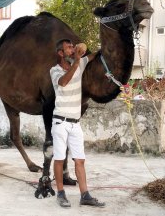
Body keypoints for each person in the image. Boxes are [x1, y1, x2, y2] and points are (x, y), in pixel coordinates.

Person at [50, 38, 105, 208]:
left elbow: (95, 55)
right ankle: (60, 194)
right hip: (60, 122)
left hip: (75, 123)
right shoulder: (55, 70)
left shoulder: (79, 63)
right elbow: (64, 82)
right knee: (59, 159)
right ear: (61, 53)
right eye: (69, 48)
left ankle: (85, 195)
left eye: (73, 47)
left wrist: (102, 46)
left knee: (80, 160)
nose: (73, 50)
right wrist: (78, 61)